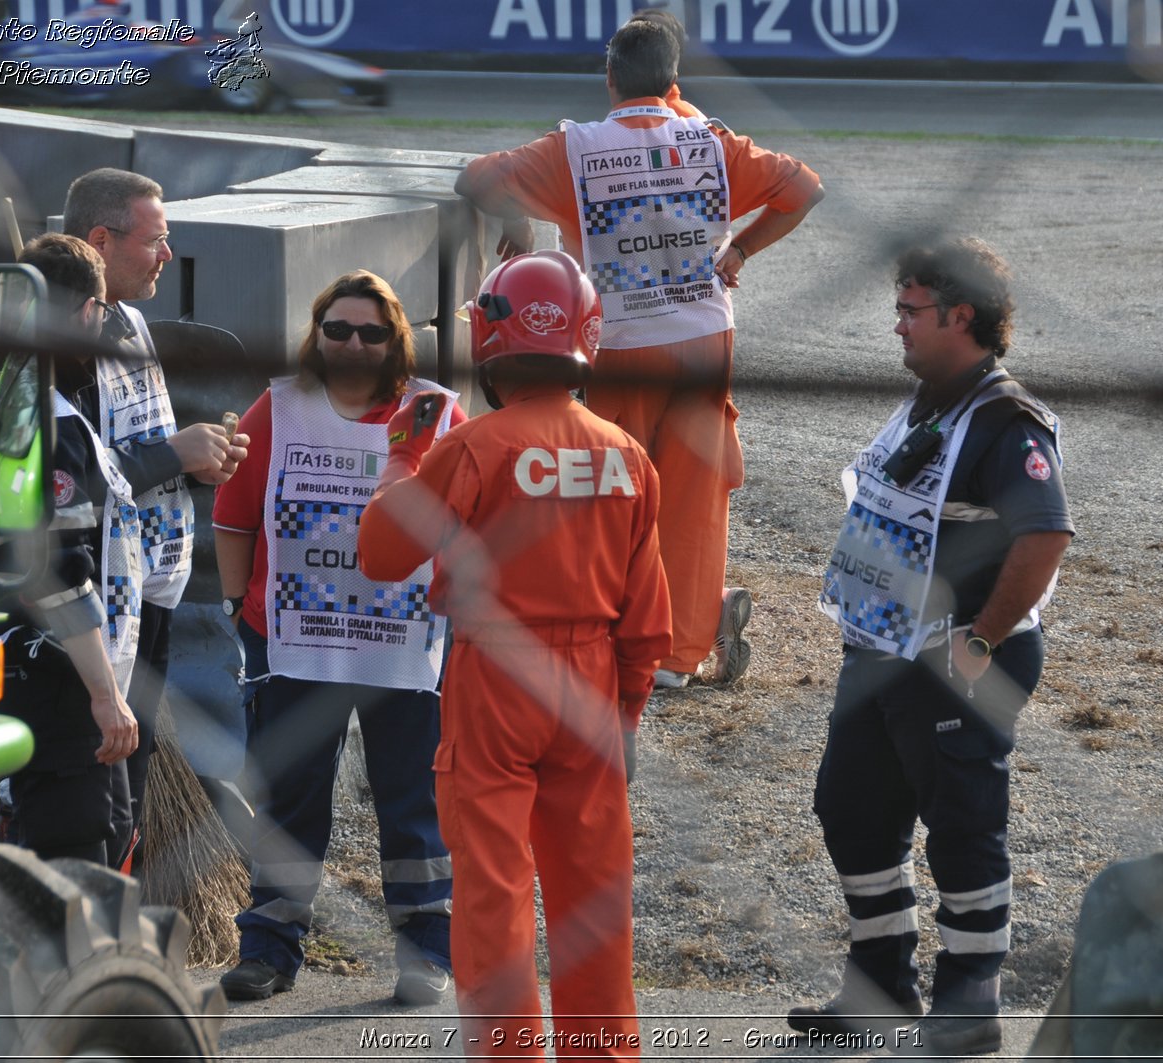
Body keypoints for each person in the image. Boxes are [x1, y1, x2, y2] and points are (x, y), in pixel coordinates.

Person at [357, 251, 670, 1060]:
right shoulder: (626, 453)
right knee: (592, 890)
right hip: (593, 681)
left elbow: (383, 553)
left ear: (490, 340)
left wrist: (401, 457)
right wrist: (624, 715)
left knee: (494, 888)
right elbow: (647, 616)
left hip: (495, 671)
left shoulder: (476, 448)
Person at [454, 19, 823, 689]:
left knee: (614, 500)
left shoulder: (576, 149)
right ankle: (678, 655)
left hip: (617, 344)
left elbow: (475, 178)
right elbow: (805, 190)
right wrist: (739, 248)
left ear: (609, 80)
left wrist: (516, 220)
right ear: (676, 83)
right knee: (691, 501)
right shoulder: (711, 143)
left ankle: (612, 633)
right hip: (702, 343)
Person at [790, 237, 1073, 1057]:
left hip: (958, 656)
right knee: (851, 809)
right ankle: (878, 990)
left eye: (911, 311)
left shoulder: (1005, 419)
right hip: (885, 650)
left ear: (960, 315)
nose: (899, 326)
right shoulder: (932, 401)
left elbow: (1045, 536)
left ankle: (969, 1001)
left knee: (961, 824)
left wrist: (981, 639)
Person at [211, 270, 461, 1004]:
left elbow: (465, 515)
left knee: (413, 801)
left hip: (403, 643)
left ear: (395, 341)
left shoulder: (428, 410)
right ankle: (269, 947)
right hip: (294, 641)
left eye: (371, 332)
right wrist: (236, 609)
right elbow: (233, 514)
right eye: (337, 328)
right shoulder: (281, 407)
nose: (353, 342)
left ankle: (423, 953)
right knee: (289, 796)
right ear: (316, 332)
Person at [62, 167, 247, 869]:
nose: (168, 256)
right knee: (94, 801)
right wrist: (174, 453)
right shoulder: (57, 350)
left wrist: (201, 459)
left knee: (129, 800)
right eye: (156, 241)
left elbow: (134, 451)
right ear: (101, 241)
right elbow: (66, 484)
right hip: (90, 609)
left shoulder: (131, 323)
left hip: (149, 593)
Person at [0, 233, 140, 864]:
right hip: (57, 680)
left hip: (12, 659)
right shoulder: (41, 424)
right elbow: (55, 574)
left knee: (89, 832)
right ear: (86, 312)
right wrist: (106, 695)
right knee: (79, 854)